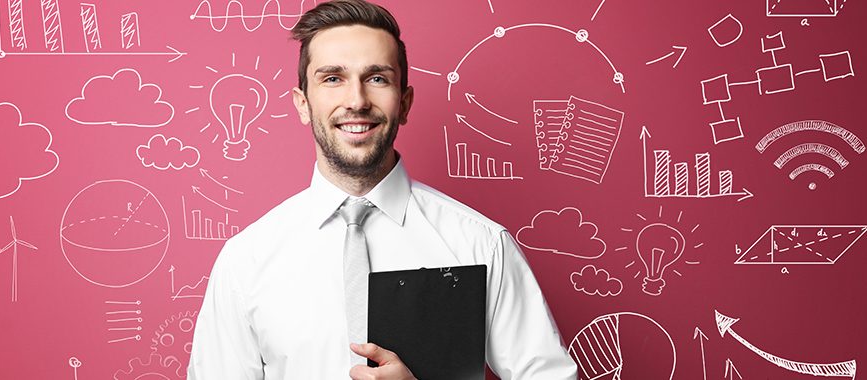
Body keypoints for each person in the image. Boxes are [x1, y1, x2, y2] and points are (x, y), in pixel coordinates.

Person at [187, 1, 578, 379]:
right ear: (303, 104)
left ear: (404, 103)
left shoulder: (480, 244)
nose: (356, 101)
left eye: (377, 78)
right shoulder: (246, 261)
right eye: (332, 78)